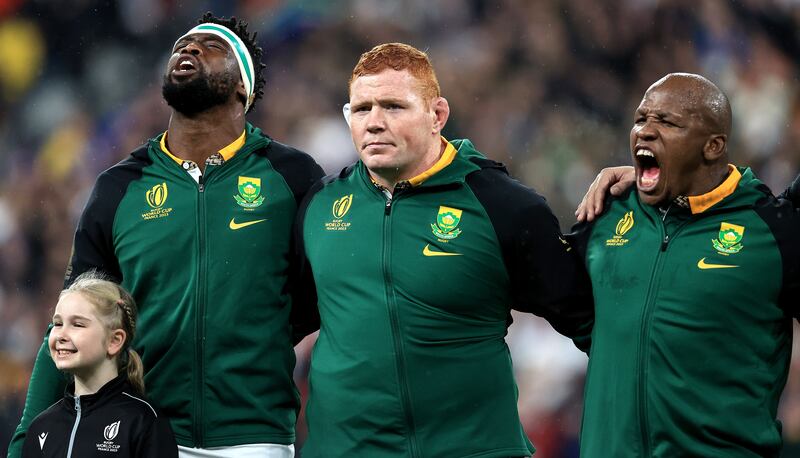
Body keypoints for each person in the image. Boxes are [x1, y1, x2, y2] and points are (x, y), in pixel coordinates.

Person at [9, 13, 323, 458]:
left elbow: (320, 298)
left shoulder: (292, 176)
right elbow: (70, 322)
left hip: (257, 436)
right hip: (142, 433)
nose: (189, 49)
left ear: (242, 88)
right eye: (182, 44)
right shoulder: (120, 186)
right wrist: (24, 440)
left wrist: (256, 332)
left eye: (210, 47)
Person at [293, 42, 593, 457]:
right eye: (361, 109)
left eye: (393, 107)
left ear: (437, 116)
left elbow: (595, 327)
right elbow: (278, 324)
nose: (374, 123)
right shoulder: (319, 207)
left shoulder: (504, 207)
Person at [569, 73, 800, 456]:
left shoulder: (772, 232)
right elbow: (566, 307)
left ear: (713, 146)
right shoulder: (606, 215)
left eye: (667, 122)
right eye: (642, 118)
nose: (645, 131)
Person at [21, 272, 178, 457]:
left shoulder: (144, 421)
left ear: (114, 341)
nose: (61, 335)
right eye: (57, 323)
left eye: (77, 325)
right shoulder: (41, 427)